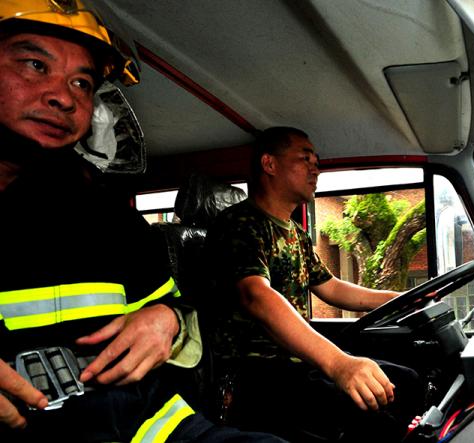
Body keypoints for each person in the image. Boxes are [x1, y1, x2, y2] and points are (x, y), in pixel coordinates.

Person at [0, 1, 284, 441]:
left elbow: (176, 310)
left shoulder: (106, 215)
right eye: (35, 65)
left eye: (82, 83)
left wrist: (166, 319)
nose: (64, 97)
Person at [206, 127, 423, 441]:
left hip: (294, 362)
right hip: (252, 373)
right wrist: (338, 364)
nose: (315, 169)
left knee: (408, 382)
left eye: (316, 162)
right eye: (304, 159)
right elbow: (256, 295)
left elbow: (330, 287)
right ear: (269, 164)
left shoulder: (294, 232)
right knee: (376, 423)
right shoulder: (239, 224)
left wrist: (401, 298)